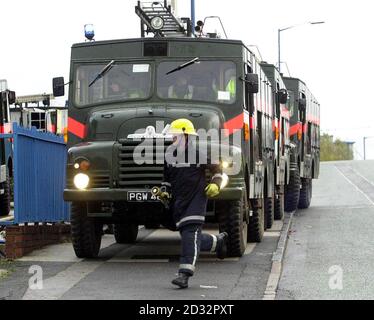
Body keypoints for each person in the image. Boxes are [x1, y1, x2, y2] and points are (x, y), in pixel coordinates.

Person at [160, 119, 229, 289]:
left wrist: (215, 183)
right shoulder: (169, 157)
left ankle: (184, 274)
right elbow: (167, 179)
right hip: (179, 203)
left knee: (190, 235)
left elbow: (218, 170)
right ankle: (218, 242)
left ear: (186, 137)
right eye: (172, 137)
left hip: (196, 201)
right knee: (190, 237)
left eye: (175, 137)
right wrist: (164, 192)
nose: (172, 140)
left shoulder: (198, 154)